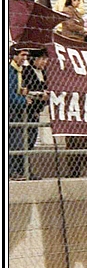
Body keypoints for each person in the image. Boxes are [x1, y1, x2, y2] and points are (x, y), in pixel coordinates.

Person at [9, 47, 30, 178]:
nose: (25, 58)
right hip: (11, 111)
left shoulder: (18, 71)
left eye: (26, 56)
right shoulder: (10, 71)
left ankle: (16, 171)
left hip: (14, 111)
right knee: (14, 142)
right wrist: (23, 100)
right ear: (14, 56)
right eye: (22, 55)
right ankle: (11, 172)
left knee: (17, 142)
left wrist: (21, 91)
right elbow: (8, 95)